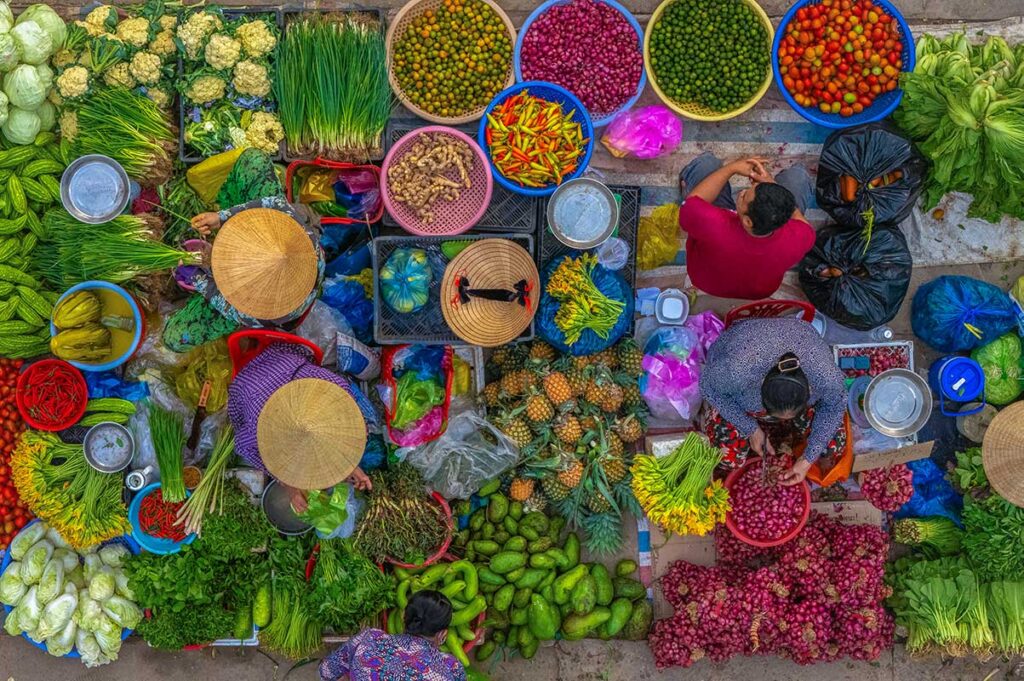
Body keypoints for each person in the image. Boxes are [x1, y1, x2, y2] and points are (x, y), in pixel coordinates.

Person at [163, 148, 326, 351]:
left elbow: (220, 299)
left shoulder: (256, 311)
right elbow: (273, 203)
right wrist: (222, 216)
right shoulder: (301, 236)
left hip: (253, 303)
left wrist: (197, 278)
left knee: (174, 338)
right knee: (254, 159)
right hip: (282, 259)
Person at [227, 342, 378, 511]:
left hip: (284, 360)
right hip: (247, 385)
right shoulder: (258, 428)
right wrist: (288, 486)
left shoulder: (335, 387)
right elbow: (241, 446)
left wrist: (350, 466)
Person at [699, 317, 847, 485]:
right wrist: (751, 428)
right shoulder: (738, 370)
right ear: (761, 383)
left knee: (832, 446)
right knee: (730, 460)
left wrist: (807, 460)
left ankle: (799, 447)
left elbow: (835, 404)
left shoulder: (824, 375)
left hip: (795, 339)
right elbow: (708, 387)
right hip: (741, 359)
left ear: (810, 388)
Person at [678, 153, 816, 300]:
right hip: (759, 292)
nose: (742, 192)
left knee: (706, 165)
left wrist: (731, 168)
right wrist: (774, 187)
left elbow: (692, 203)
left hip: (705, 281)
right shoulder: (798, 238)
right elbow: (802, 223)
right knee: (798, 177)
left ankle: (687, 181)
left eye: (744, 196)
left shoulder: (712, 223)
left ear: (748, 221)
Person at [319, 590, 467, 681]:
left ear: (403, 616)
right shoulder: (451, 667)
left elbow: (326, 671)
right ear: (442, 634)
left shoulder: (369, 638)